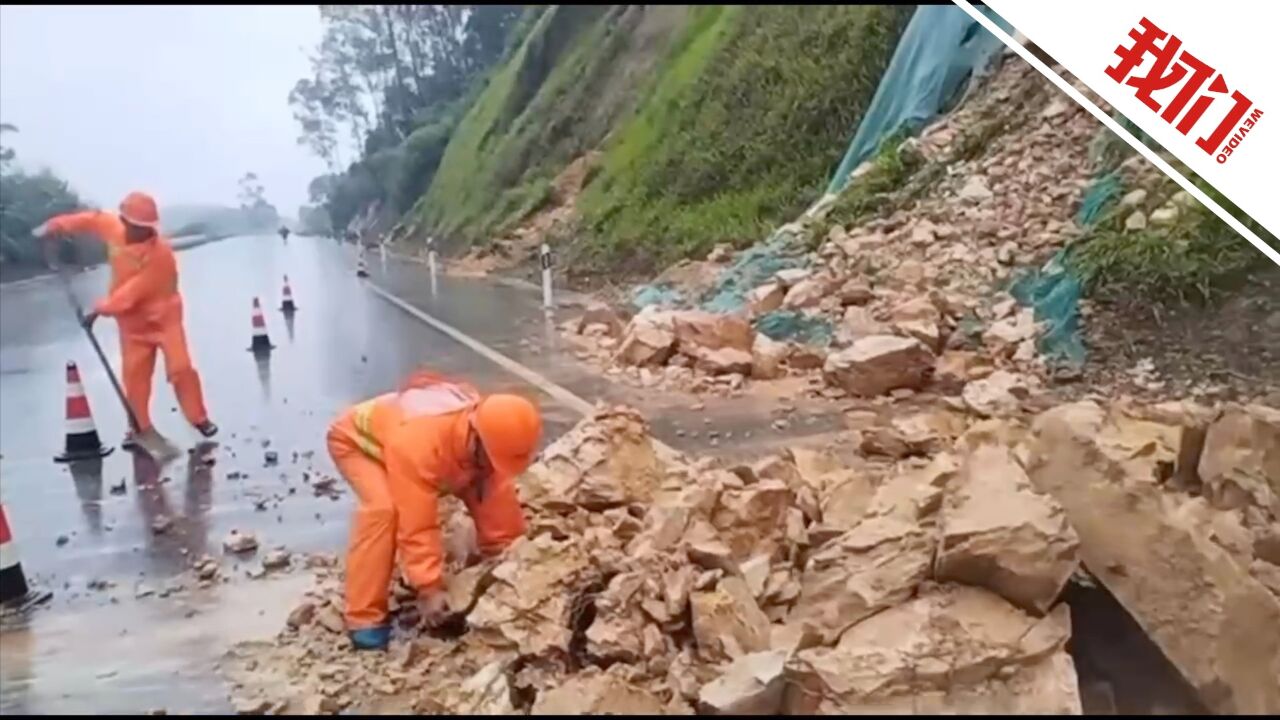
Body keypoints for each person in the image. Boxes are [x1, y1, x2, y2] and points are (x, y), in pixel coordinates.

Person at [326, 370, 542, 651]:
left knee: (484, 482)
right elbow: (417, 524)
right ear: (476, 439)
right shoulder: (419, 444)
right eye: (491, 459)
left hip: (438, 448)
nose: (493, 468)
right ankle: (364, 617)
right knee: (384, 510)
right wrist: (429, 587)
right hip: (359, 443)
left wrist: (511, 563)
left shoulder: (490, 434)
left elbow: (499, 505)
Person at [35, 192, 218, 448]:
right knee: (135, 378)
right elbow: (89, 220)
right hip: (132, 326)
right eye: (139, 227)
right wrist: (54, 226)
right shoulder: (112, 228)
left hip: (164, 320)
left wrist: (98, 308)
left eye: (148, 228)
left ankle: (198, 418)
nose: (144, 233)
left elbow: (131, 294)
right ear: (126, 221)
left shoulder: (160, 255)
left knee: (181, 368)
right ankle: (140, 428)